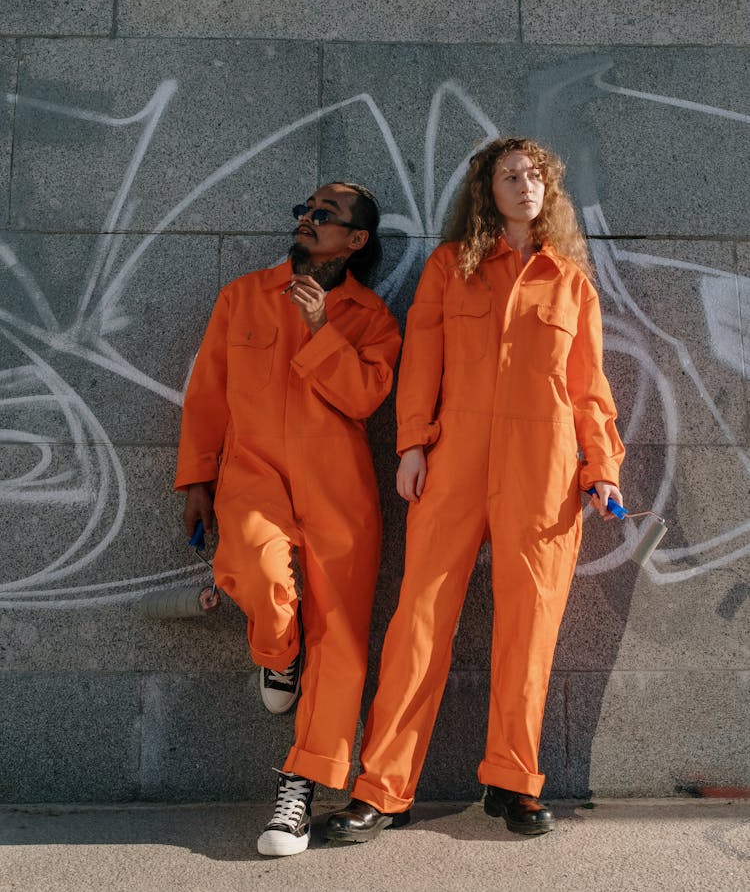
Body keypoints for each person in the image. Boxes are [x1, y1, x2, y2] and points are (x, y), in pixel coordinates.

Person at [326, 138, 625, 843]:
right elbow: (422, 362)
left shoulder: (571, 282)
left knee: (530, 627)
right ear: (486, 191)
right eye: (509, 176)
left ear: (550, 190)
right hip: (454, 459)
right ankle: (382, 788)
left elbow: (587, 386)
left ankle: (514, 781)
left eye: (535, 176)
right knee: (419, 620)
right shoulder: (448, 267)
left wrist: (601, 465)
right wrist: (410, 446)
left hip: (544, 467)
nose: (525, 186)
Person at [175, 182, 401, 857]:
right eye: (302, 209)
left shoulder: (372, 316)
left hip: (340, 489)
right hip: (253, 476)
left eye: (324, 215)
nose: (306, 219)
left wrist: (321, 330)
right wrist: (196, 478)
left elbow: (364, 398)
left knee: (342, 640)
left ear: (355, 240)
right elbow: (208, 389)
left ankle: (301, 787)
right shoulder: (244, 293)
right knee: (256, 567)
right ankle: (278, 654)